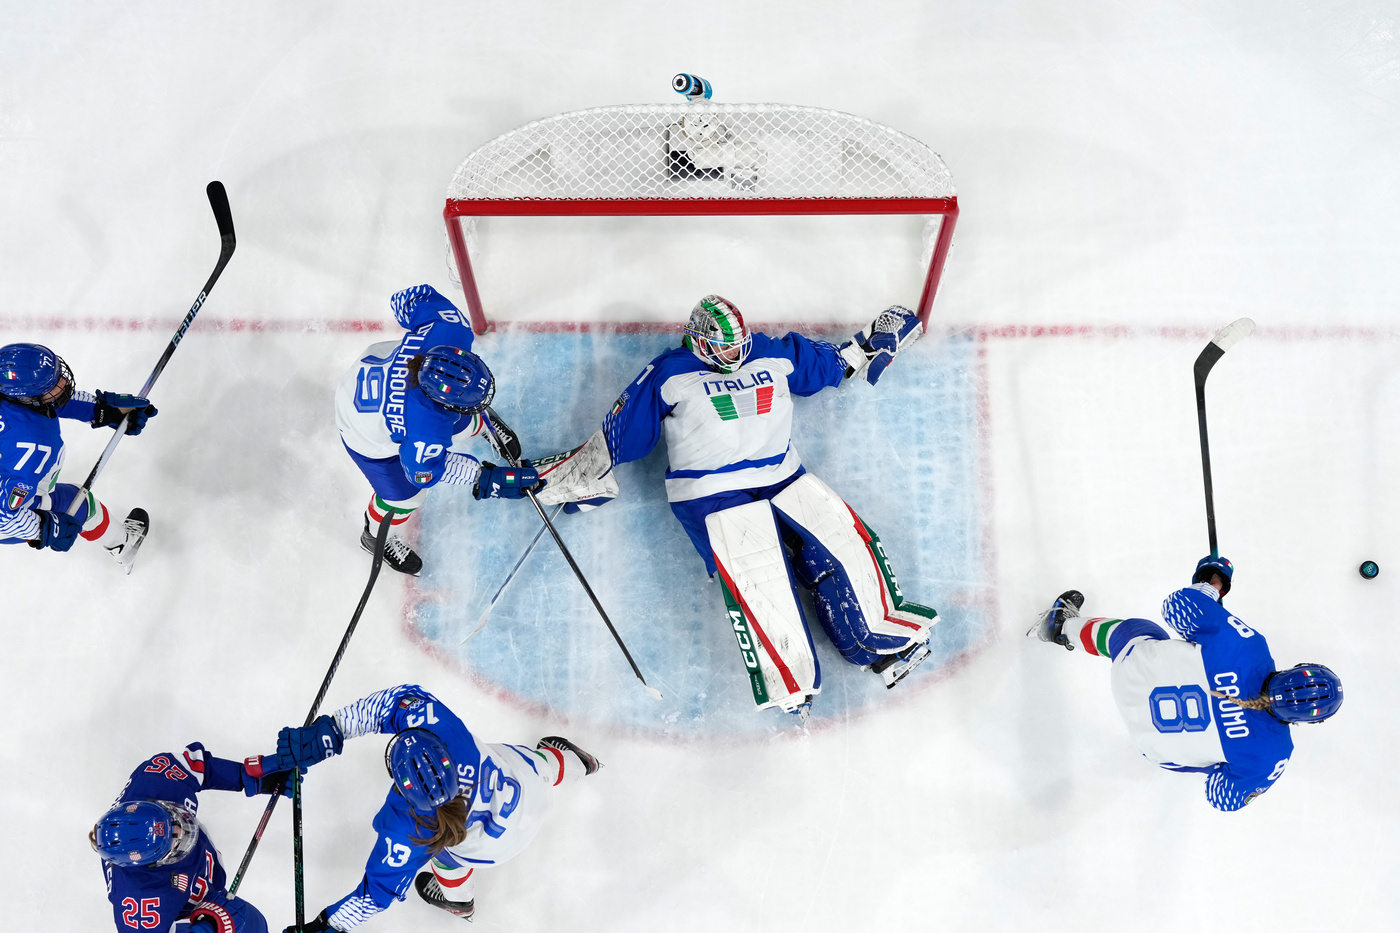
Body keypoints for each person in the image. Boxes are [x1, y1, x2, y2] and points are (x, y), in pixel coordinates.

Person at [525, 296, 938, 718]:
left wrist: (872, 340)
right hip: (710, 493)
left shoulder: (768, 352)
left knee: (843, 542)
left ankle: (878, 640)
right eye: (723, 348)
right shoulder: (669, 372)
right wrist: (577, 474)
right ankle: (790, 680)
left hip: (784, 475)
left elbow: (828, 364)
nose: (733, 355)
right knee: (760, 579)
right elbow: (623, 431)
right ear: (697, 342)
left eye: (738, 346)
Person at [266, 684, 602, 930]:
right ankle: (581, 764)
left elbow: (375, 895)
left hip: (492, 850)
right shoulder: (449, 735)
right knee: (541, 764)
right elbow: (398, 703)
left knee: (443, 850)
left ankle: (458, 900)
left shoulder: (408, 828)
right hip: (528, 794)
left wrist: (330, 732)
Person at [1032, 555, 1344, 810]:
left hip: (1131, 671)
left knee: (1141, 630)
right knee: (1203, 761)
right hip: (1151, 746)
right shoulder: (1273, 756)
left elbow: (1175, 607)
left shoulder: (1247, 647)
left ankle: (1061, 627)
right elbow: (1222, 798)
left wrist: (1210, 585)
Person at [334, 285, 528, 576]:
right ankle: (375, 536)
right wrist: (485, 477)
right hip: (362, 432)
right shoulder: (424, 429)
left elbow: (412, 298)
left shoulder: (450, 329)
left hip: (372, 371)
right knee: (408, 496)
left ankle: (479, 424)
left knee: (458, 421)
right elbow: (427, 471)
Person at [90, 742, 296, 933]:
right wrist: (206, 928)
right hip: (188, 913)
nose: (182, 830)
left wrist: (250, 776)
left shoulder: (153, 782)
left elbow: (199, 768)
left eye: (171, 819)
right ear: (152, 863)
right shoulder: (137, 904)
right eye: (172, 840)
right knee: (252, 924)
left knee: (252, 922)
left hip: (205, 879)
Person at [0, 342, 155, 567]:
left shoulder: (11, 389)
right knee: (78, 502)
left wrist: (104, 412)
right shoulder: (33, 447)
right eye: (51, 384)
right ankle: (124, 546)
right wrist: (44, 527)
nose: (63, 382)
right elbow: (3, 518)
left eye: (57, 375)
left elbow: (47, 401)